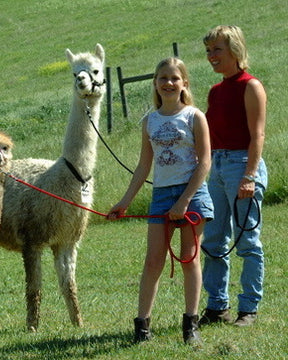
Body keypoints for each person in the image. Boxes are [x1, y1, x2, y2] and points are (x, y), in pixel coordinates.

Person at [107, 57, 213, 345]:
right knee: (153, 261)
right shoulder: (149, 121)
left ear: (184, 83)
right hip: (161, 195)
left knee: (190, 259)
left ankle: (191, 325)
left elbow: (205, 162)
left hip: (192, 193)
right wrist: (125, 201)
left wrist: (184, 201)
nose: (168, 83)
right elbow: (143, 166)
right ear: (155, 84)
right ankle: (142, 327)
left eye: (174, 78)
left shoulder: (194, 116)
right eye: (162, 78)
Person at [199, 25, 268, 327]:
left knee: (247, 241)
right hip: (217, 166)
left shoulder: (250, 86)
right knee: (213, 240)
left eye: (217, 50)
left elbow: (258, 134)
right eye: (208, 51)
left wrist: (250, 175)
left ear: (235, 50)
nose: (211, 56)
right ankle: (216, 307)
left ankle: (248, 309)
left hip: (243, 165)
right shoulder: (215, 91)